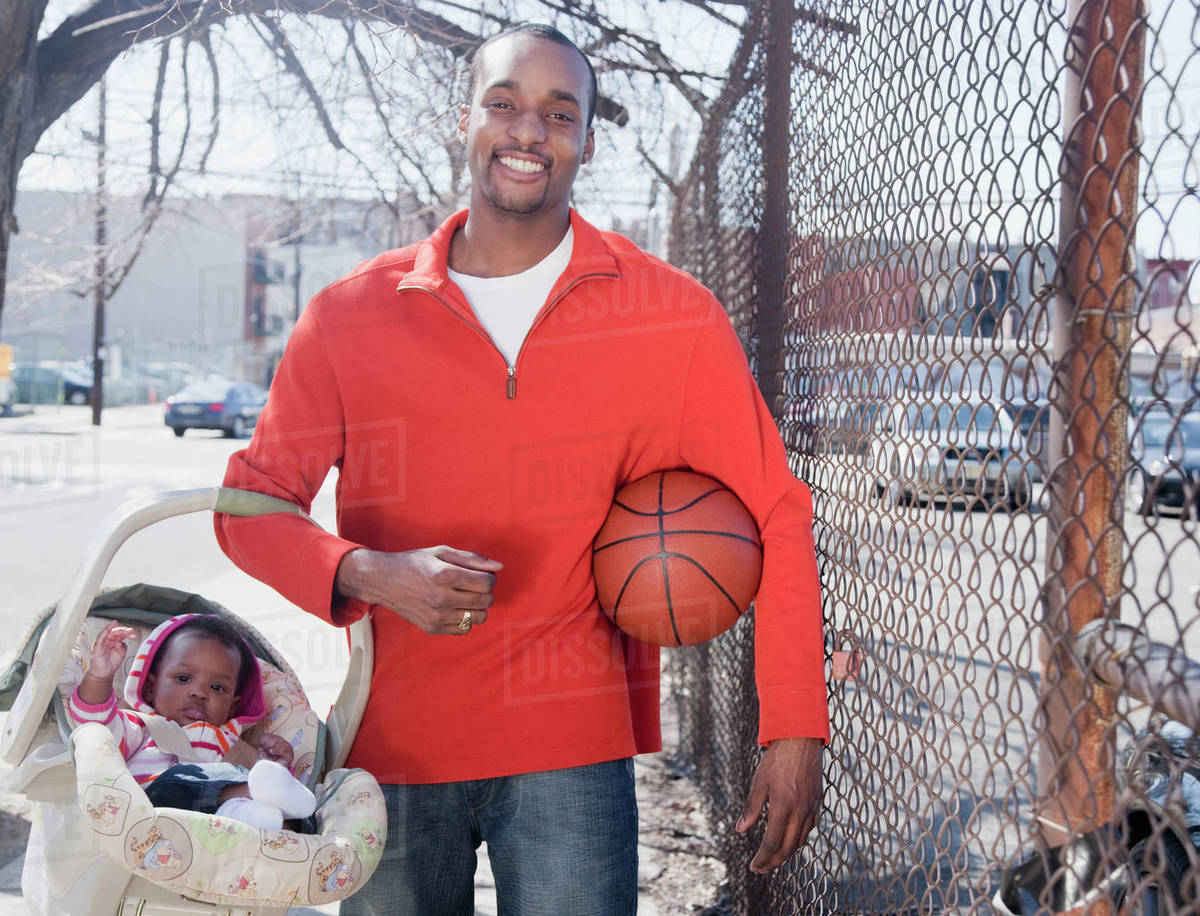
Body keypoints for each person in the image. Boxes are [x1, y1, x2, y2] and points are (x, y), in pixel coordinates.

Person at [215, 22, 829, 914]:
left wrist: (795, 726)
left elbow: (776, 508)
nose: (529, 130)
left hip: (571, 748)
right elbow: (248, 505)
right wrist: (367, 573)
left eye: (559, 111)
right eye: (504, 103)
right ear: (465, 119)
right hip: (391, 751)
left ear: (585, 138)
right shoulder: (348, 317)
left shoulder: (670, 317)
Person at [67, 614, 317, 830]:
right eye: (183, 678)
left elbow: (267, 780)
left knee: (302, 817)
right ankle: (248, 794)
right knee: (175, 782)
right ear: (152, 686)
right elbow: (94, 727)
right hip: (157, 819)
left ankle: (267, 814)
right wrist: (100, 676)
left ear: (232, 705)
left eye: (217, 687)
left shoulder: (233, 745)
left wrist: (274, 766)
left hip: (227, 831)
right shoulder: (140, 728)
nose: (199, 692)